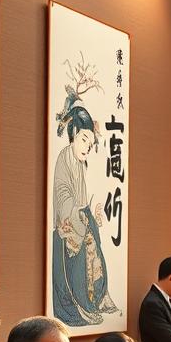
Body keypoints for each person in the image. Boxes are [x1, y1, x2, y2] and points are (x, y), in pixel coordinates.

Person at [51, 108, 117, 326]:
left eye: (90, 142)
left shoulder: (79, 162)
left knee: (96, 256)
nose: (88, 146)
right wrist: (77, 213)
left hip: (81, 215)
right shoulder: (65, 158)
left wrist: (91, 214)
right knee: (79, 267)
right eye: (84, 139)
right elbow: (62, 193)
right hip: (68, 221)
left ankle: (94, 301)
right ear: (75, 132)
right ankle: (81, 307)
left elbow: (84, 196)